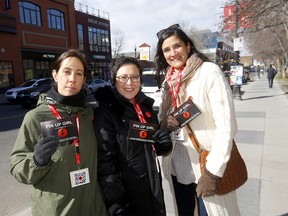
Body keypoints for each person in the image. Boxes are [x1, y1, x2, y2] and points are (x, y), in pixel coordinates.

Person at [155, 24, 241, 215]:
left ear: (187, 46)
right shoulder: (168, 80)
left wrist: (213, 172)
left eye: (176, 46)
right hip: (178, 167)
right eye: (166, 50)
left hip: (206, 165)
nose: (172, 53)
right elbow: (163, 117)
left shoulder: (209, 72)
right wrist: (165, 123)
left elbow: (227, 126)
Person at [10, 49, 108, 216]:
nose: (72, 79)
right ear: (55, 75)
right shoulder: (35, 117)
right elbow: (17, 167)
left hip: (92, 207)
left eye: (79, 74)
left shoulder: (90, 114)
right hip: (56, 210)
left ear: (84, 79)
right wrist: (37, 161)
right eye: (67, 72)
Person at [93, 56, 172, 215]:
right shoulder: (106, 113)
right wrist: (116, 204)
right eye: (123, 77)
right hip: (127, 199)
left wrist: (161, 145)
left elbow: (146, 145)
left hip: (152, 189)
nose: (129, 83)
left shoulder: (146, 108)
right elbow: (104, 162)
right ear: (114, 80)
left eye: (135, 77)